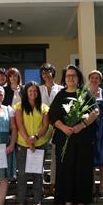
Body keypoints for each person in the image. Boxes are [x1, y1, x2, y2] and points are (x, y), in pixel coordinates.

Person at [49, 64, 99, 205]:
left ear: (78, 78)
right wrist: (64, 127)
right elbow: (52, 115)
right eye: (68, 75)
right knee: (66, 170)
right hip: (64, 139)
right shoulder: (60, 95)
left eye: (73, 75)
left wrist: (81, 125)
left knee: (82, 169)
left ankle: (82, 201)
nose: (70, 78)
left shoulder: (85, 94)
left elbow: (95, 111)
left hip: (83, 139)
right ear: (64, 78)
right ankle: (68, 201)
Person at [14, 81, 51, 205]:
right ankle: (21, 203)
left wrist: (35, 138)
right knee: (22, 174)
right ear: (26, 92)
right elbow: (19, 124)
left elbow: (45, 126)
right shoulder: (19, 106)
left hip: (39, 144)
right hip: (23, 145)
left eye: (35, 91)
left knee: (37, 174)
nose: (33, 93)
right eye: (30, 91)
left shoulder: (44, 107)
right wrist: (28, 141)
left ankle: (37, 203)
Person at [38, 63, 64, 196]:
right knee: (39, 154)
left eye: (48, 72)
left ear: (53, 73)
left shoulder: (60, 89)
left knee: (55, 155)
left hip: (57, 125)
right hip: (42, 126)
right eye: (43, 73)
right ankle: (40, 184)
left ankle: (53, 183)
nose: (46, 75)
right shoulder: (38, 89)